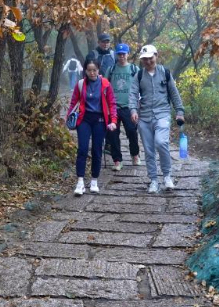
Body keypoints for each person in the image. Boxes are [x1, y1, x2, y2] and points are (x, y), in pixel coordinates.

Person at [129, 44, 185, 193]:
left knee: (161, 143)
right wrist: (133, 110)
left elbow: (174, 93)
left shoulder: (165, 73)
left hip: (162, 114)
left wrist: (179, 111)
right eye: (144, 59)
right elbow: (133, 94)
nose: (148, 62)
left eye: (150, 58)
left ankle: (167, 176)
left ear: (156, 56)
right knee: (148, 150)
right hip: (144, 117)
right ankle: (153, 180)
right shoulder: (139, 75)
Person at [67, 58, 118, 196]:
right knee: (82, 149)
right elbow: (73, 102)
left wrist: (113, 120)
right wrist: (69, 116)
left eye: (94, 70)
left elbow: (112, 103)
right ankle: (80, 182)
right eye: (89, 70)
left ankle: (94, 180)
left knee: (97, 150)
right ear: (85, 71)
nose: (92, 73)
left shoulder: (105, 84)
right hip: (84, 120)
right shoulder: (81, 84)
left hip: (100, 120)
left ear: (98, 70)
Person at [105, 43, 141, 170]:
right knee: (113, 134)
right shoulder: (111, 69)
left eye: (123, 54)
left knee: (132, 132)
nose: (121, 57)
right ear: (116, 55)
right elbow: (105, 86)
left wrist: (138, 105)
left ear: (128, 54)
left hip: (129, 107)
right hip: (113, 107)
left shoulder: (134, 69)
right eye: (119, 54)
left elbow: (140, 87)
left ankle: (135, 154)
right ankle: (117, 160)